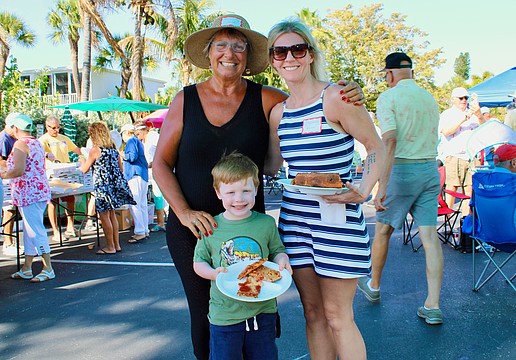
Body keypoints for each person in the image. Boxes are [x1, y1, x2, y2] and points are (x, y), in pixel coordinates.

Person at [152, 13, 365, 360]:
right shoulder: (185, 99)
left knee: (257, 306)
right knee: (205, 313)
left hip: (251, 229)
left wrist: (344, 90)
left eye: (239, 46)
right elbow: (160, 163)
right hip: (196, 230)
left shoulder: (267, 99)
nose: (229, 53)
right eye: (221, 45)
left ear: (249, 58)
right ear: (208, 54)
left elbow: (310, 96)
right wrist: (185, 212)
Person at [266, 19, 385, 360]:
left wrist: (364, 188)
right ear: (273, 60)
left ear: (310, 53)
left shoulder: (335, 96)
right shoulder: (279, 113)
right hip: (294, 223)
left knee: (338, 317)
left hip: (337, 220)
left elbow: (375, 146)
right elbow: (272, 167)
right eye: (280, 51)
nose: (289, 57)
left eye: (297, 49)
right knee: (313, 315)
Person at [355, 52, 444, 325]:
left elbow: (390, 141)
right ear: (412, 73)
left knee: (383, 229)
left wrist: (382, 183)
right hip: (430, 169)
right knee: (430, 238)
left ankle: (374, 287)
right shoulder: (429, 98)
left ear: (389, 74)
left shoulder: (388, 97)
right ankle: (433, 306)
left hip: (403, 171)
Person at [193, 152, 291, 360]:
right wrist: (213, 273)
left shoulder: (265, 223)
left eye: (246, 190)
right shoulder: (211, 227)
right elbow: (198, 262)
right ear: (218, 192)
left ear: (256, 189)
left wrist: (282, 261)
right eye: (230, 192)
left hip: (263, 311)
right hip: (225, 315)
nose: (239, 199)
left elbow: (277, 251)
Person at [1, 113, 54, 282]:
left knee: (35, 230)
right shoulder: (36, 142)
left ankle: (48, 268)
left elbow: (19, 170)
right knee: (30, 230)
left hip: (28, 194)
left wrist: (3, 175)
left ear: (15, 128)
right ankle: (27, 267)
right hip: (37, 191)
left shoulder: (20, 144)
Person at [79, 122, 135, 254]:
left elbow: (84, 169)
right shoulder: (113, 149)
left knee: (104, 217)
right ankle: (116, 244)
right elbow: (120, 169)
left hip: (102, 186)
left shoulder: (95, 150)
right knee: (112, 215)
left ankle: (110, 246)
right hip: (114, 185)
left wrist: (82, 159)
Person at [439, 87, 484, 215]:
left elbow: (484, 129)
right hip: (453, 156)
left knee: (469, 190)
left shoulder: (474, 115)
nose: (464, 100)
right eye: (461, 98)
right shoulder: (447, 114)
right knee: (451, 188)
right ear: (453, 100)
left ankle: (465, 223)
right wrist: (463, 118)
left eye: (466, 98)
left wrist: (479, 115)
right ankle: (447, 218)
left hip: (470, 157)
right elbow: (447, 131)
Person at [39, 114, 82, 241]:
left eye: (58, 127)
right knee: (53, 202)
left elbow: (77, 150)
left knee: (70, 199)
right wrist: (47, 155)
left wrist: (84, 155)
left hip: (66, 172)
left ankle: (70, 225)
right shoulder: (43, 140)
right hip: (52, 174)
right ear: (47, 127)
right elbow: (40, 153)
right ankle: (55, 230)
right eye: (53, 128)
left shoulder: (64, 138)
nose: (56, 130)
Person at [134, 120, 166, 232]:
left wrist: (151, 164)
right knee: (157, 196)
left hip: (158, 170)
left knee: (161, 195)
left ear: (144, 130)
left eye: (138, 133)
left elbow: (161, 153)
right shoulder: (143, 141)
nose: (137, 136)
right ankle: (161, 222)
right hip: (150, 171)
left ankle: (163, 222)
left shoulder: (153, 137)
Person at [120, 124, 149, 242]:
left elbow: (131, 157)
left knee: (135, 204)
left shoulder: (131, 142)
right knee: (142, 204)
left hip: (134, 174)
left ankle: (140, 231)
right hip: (142, 174)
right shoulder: (137, 141)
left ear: (126, 133)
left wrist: (122, 155)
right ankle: (144, 229)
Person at [0, 114, 18, 256]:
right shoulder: (3, 138)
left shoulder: (14, 137)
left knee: (12, 208)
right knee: (8, 208)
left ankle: (10, 241)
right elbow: (2, 160)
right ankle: (8, 242)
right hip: (5, 178)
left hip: (12, 177)